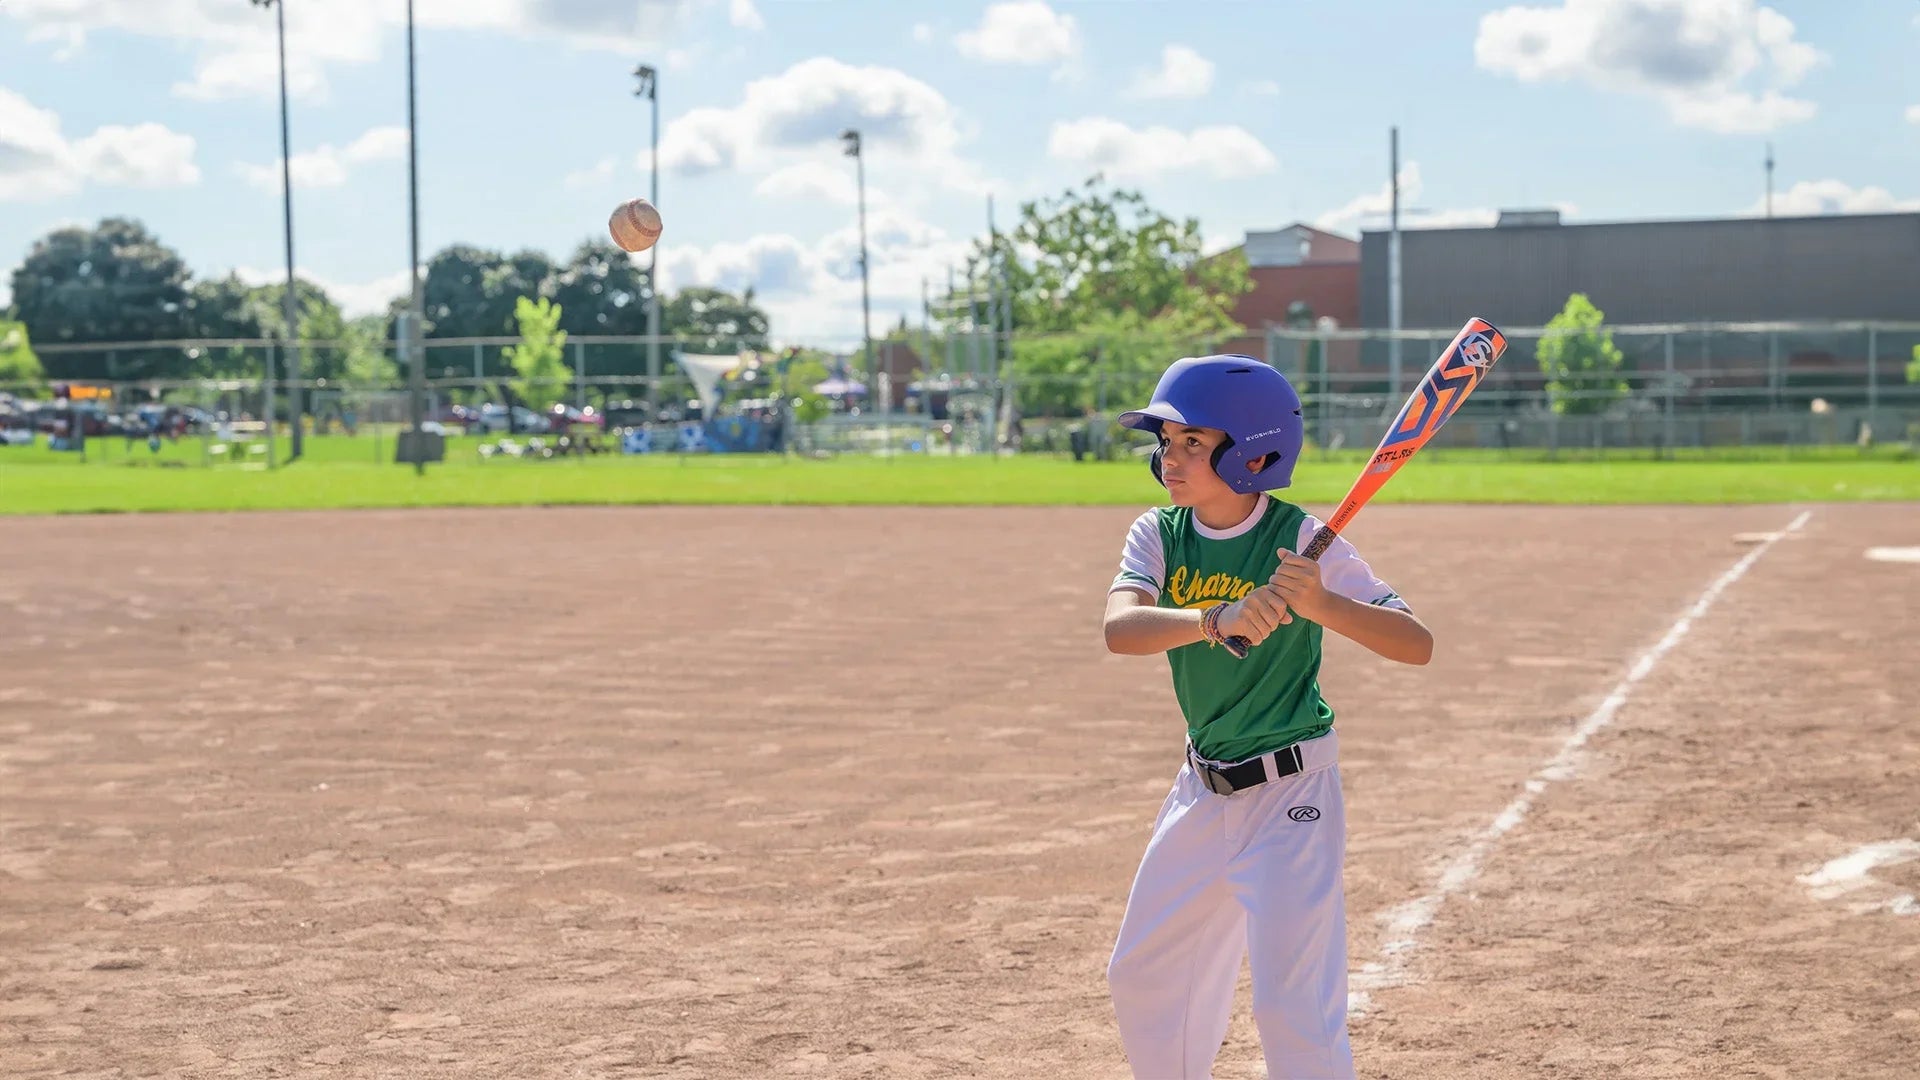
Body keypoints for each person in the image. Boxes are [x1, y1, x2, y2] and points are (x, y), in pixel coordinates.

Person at [1101, 354, 1434, 1079]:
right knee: (1145, 974)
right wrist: (1213, 618)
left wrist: (1321, 603)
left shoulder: (1305, 541)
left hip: (1291, 797)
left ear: (1253, 453)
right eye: (1166, 441)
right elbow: (1120, 629)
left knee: (1293, 1003)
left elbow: (1415, 644)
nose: (1169, 458)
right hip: (1200, 789)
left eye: (1193, 442)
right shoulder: (1160, 532)